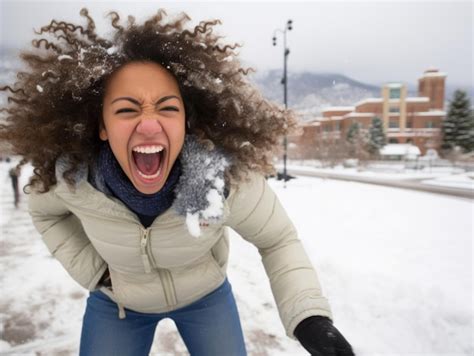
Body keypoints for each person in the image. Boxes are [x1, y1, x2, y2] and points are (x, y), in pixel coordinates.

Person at [0, 8, 355, 356]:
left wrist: (308, 317)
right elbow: (45, 214)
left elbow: (277, 239)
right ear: (102, 126)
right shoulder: (73, 181)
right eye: (126, 110)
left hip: (206, 299)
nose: (150, 125)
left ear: (186, 120)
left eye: (168, 108)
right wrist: (95, 273)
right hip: (119, 305)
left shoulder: (223, 181)